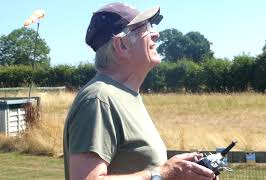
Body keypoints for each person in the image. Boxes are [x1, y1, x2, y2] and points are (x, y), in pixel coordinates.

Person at [63, 2, 218, 180]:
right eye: (144, 27)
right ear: (122, 45)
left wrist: (185, 174)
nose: (156, 34)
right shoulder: (99, 99)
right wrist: (164, 173)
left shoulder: (126, 96)